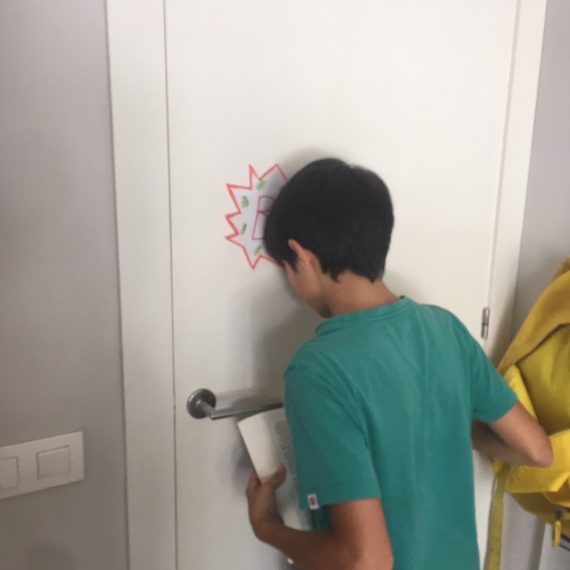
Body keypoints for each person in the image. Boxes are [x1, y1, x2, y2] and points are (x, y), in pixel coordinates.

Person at [245, 158, 553, 570]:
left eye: (287, 268)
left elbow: (365, 561)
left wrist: (266, 526)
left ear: (300, 255)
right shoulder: (444, 327)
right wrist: (441, 426)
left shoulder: (316, 370)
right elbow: (536, 450)